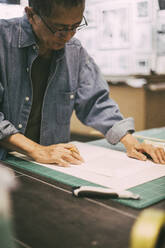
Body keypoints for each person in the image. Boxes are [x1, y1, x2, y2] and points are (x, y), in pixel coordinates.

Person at [0, 0, 164, 167]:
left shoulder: (74, 51)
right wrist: (36, 150)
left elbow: (96, 103)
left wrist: (132, 143)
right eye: (59, 28)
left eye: (75, 26)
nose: (69, 36)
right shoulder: (2, 40)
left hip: (52, 166)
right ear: (31, 15)